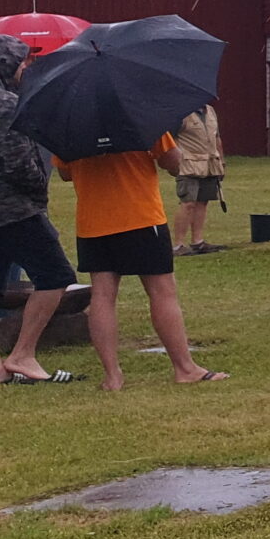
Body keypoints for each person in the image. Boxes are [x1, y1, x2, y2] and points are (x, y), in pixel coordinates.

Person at [53, 130, 228, 389]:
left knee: (102, 295)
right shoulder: (139, 119)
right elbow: (173, 162)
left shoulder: (71, 126)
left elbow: (65, 173)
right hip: (141, 217)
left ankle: (112, 376)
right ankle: (185, 368)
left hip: (94, 222)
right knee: (162, 291)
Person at [0, 34, 79, 385]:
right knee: (56, 277)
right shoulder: (7, 104)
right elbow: (18, 163)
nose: (27, 68)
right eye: (24, 62)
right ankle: (23, 354)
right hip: (13, 210)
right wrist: (39, 188)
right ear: (7, 65)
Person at [172, 104, 225, 255]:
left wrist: (221, 161)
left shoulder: (211, 111)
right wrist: (176, 161)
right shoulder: (180, 112)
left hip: (210, 164)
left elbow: (217, 138)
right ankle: (178, 245)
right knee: (188, 203)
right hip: (188, 165)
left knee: (203, 202)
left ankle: (198, 242)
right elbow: (171, 139)